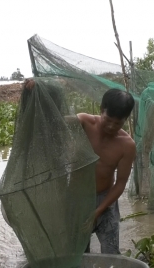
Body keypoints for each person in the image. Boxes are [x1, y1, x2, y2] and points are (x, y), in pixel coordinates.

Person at [23, 79, 136, 254]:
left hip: (105, 201)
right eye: (108, 120)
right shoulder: (84, 122)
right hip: (75, 199)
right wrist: (36, 91)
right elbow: (53, 122)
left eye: (118, 123)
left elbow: (120, 183)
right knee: (78, 253)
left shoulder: (127, 145)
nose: (112, 126)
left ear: (125, 120)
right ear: (101, 110)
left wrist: (98, 211)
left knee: (111, 251)